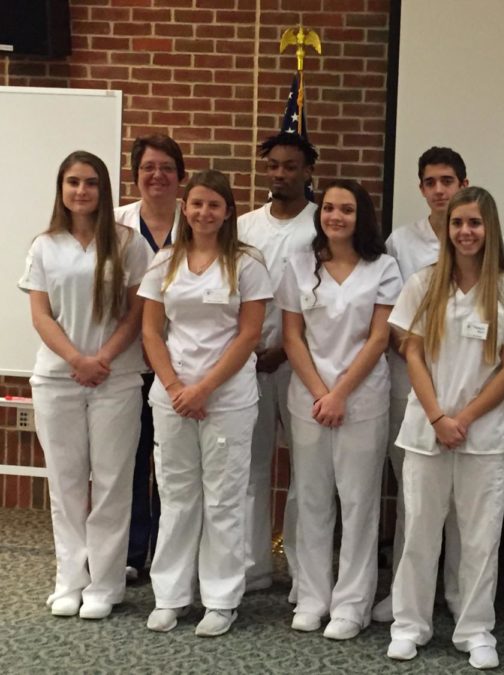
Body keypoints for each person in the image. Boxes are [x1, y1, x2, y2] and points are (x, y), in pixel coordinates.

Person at [386, 186, 504, 670]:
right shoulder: (424, 283)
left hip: (483, 434)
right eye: (458, 224)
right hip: (427, 429)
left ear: (489, 229)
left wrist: (465, 418)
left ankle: (475, 629)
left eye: (474, 223)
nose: (466, 232)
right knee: (420, 534)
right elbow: (410, 351)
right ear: (446, 230)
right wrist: (438, 417)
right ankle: (409, 624)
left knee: (479, 537)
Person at [139, 170, 272, 637]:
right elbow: (152, 331)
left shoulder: (247, 263)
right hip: (171, 398)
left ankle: (220, 600)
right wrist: (176, 386)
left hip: (228, 397)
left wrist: (204, 389)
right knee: (176, 496)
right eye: (196, 204)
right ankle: (171, 595)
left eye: (214, 205)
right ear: (184, 207)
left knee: (224, 498)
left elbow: (250, 334)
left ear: (228, 211)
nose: (203, 212)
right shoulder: (165, 261)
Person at [19, 150, 151, 620]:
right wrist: (77, 359)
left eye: (91, 182)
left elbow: (139, 313)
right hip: (57, 379)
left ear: (104, 189)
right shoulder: (44, 245)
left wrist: (103, 359)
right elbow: (40, 314)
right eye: (73, 182)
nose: (81, 190)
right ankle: (69, 580)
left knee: (114, 483)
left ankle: (106, 583)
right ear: (61, 188)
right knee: (67, 485)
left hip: (117, 379)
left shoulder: (129, 242)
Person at [277, 179, 402, 640]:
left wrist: (340, 393)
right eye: (328, 208)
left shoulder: (384, 267)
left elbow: (379, 337)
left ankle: (352, 604)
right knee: (310, 499)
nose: (335, 216)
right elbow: (292, 336)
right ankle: (312, 597)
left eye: (346, 210)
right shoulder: (299, 263)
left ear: (360, 216)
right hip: (310, 398)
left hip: (362, 398)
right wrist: (320, 394)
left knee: (359, 502)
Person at [375, 146, 469, 623]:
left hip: (466, 388)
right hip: (410, 383)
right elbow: (394, 319)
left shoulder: (479, 237)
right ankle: (407, 594)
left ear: (463, 186)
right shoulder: (401, 242)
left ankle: (456, 592)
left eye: (447, 181)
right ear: (421, 188)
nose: (439, 190)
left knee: (461, 503)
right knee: (414, 497)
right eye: (430, 182)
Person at [237, 131, 319, 595]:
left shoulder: (319, 224)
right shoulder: (246, 226)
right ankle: (252, 566)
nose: (281, 174)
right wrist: (250, 349)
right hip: (249, 362)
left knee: (305, 471)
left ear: (308, 171)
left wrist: (286, 348)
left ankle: (300, 572)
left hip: (302, 363)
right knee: (252, 467)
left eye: (291, 166)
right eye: (274, 166)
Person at [115, 133, 186, 581]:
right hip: (126, 364)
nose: (156, 175)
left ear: (180, 176)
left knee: (173, 464)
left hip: (181, 366)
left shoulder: (197, 221)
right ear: (136, 175)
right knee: (131, 459)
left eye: (166, 168)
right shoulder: (117, 224)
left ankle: (166, 550)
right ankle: (130, 551)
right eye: (147, 168)